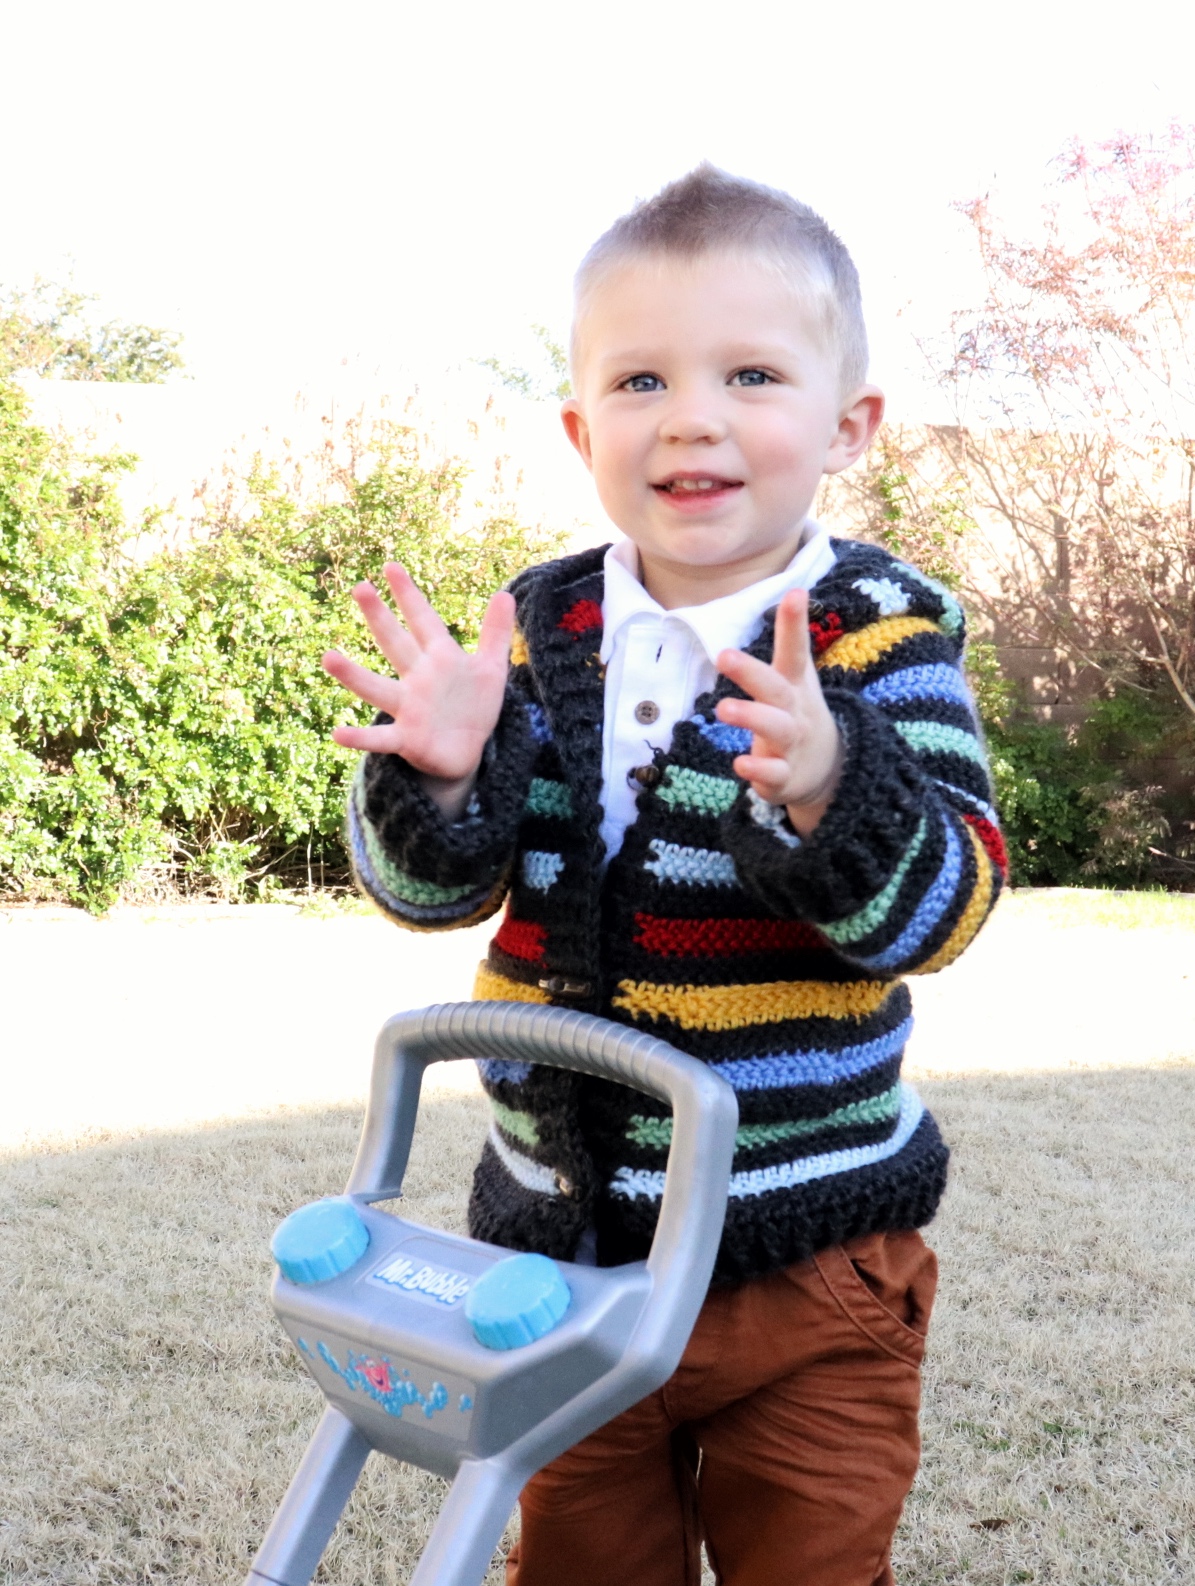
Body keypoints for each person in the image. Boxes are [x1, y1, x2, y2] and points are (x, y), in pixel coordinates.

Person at [322, 165, 1007, 1586]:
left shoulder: (879, 636)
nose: (691, 414)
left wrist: (832, 785)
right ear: (583, 428)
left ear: (849, 423)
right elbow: (430, 893)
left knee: (810, 1563)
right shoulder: (541, 620)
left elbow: (950, 902)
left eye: (751, 372)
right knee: (576, 1564)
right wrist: (446, 775)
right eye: (640, 380)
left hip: (803, 1259)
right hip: (563, 1266)